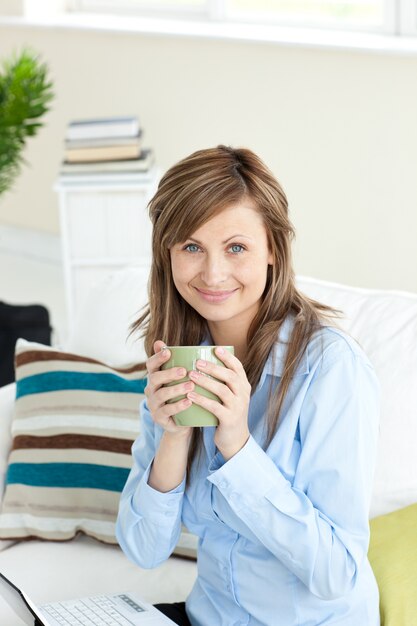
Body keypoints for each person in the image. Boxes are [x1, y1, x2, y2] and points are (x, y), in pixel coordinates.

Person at [116, 145, 381, 626]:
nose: (213, 274)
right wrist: (173, 436)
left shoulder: (331, 369)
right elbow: (143, 549)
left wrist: (238, 448)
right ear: (168, 254)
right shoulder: (178, 356)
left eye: (236, 247)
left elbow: (337, 573)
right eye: (191, 247)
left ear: (273, 250)